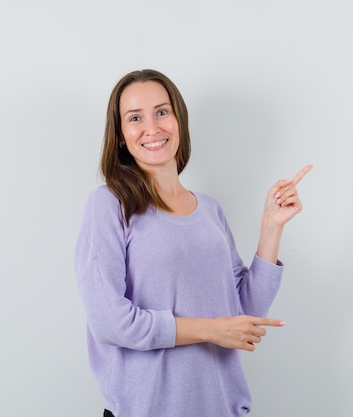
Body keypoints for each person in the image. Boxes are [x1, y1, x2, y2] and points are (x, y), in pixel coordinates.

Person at [74, 69, 312, 417]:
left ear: (179, 120)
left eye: (162, 112)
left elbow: (242, 317)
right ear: (122, 135)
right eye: (135, 118)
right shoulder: (109, 204)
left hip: (219, 407)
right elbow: (109, 321)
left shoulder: (210, 210)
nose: (152, 128)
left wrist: (271, 226)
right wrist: (212, 330)